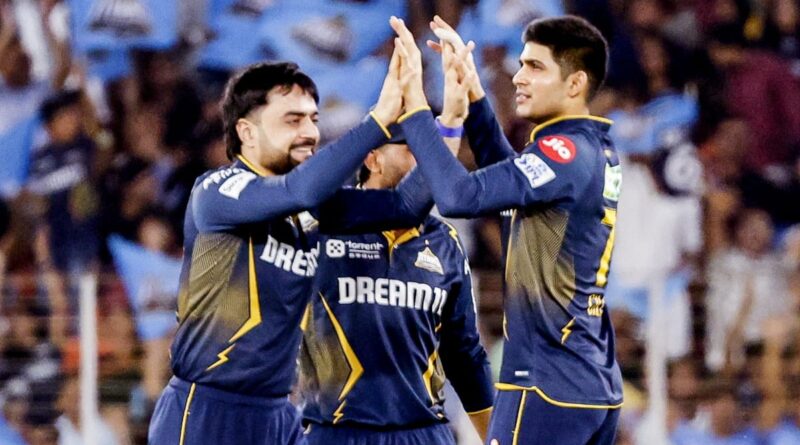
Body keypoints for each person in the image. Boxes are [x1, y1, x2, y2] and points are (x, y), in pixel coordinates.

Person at [148, 48, 429, 444]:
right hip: (207, 410)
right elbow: (302, 189)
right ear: (246, 132)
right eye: (292, 120)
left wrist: (442, 121)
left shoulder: (313, 206)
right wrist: (378, 120)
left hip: (278, 414)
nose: (310, 133)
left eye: (314, 119)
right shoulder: (217, 191)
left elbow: (406, 206)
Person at [389, 14, 623, 444]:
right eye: (521, 64)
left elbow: (458, 197)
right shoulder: (590, 148)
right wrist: (474, 91)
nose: (518, 77)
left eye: (536, 67)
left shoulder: (562, 152)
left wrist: (418, 109)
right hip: (590, 384)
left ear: (575, 83)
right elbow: (509, 176)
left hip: (544, 385)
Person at [301, 124, 493, 445]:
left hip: (423, 432)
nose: (428, 164)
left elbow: (464, 354)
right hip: (337, 430)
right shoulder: (319, 229)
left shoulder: (445, 241)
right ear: (372, 159)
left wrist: (494, 436)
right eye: (413, 151)